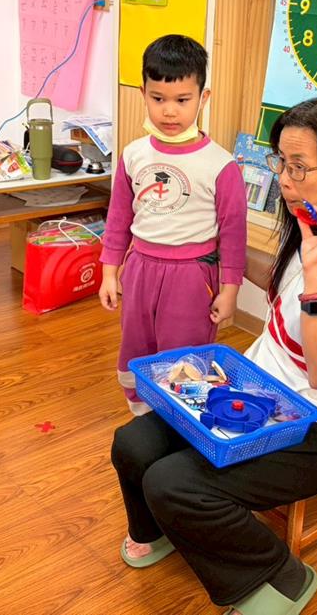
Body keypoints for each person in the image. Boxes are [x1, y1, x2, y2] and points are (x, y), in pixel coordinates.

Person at [110, 96, 317, 614]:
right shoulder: (304, 228)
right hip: (258, 393)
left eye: (299, 168)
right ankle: (161, 531)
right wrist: (194, 243)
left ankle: (282, 576)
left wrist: (315, 275)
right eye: (280, 163)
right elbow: (270, 283)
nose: (284, 181)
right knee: (133, 443)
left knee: (173, 482)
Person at [99, 34, 248, 415]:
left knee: (184, 357)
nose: (169, 111)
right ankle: (143, 415)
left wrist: (230, 290)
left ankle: (181, 420)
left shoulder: (221, 165)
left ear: (203, 97)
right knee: (136, 346)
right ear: (143, 94)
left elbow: (233, 236)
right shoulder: (133, 154)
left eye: (182, 100)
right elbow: (118, 219)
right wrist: (109, 273)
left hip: (192, 276)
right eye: (158, 98)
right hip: (140, 269)